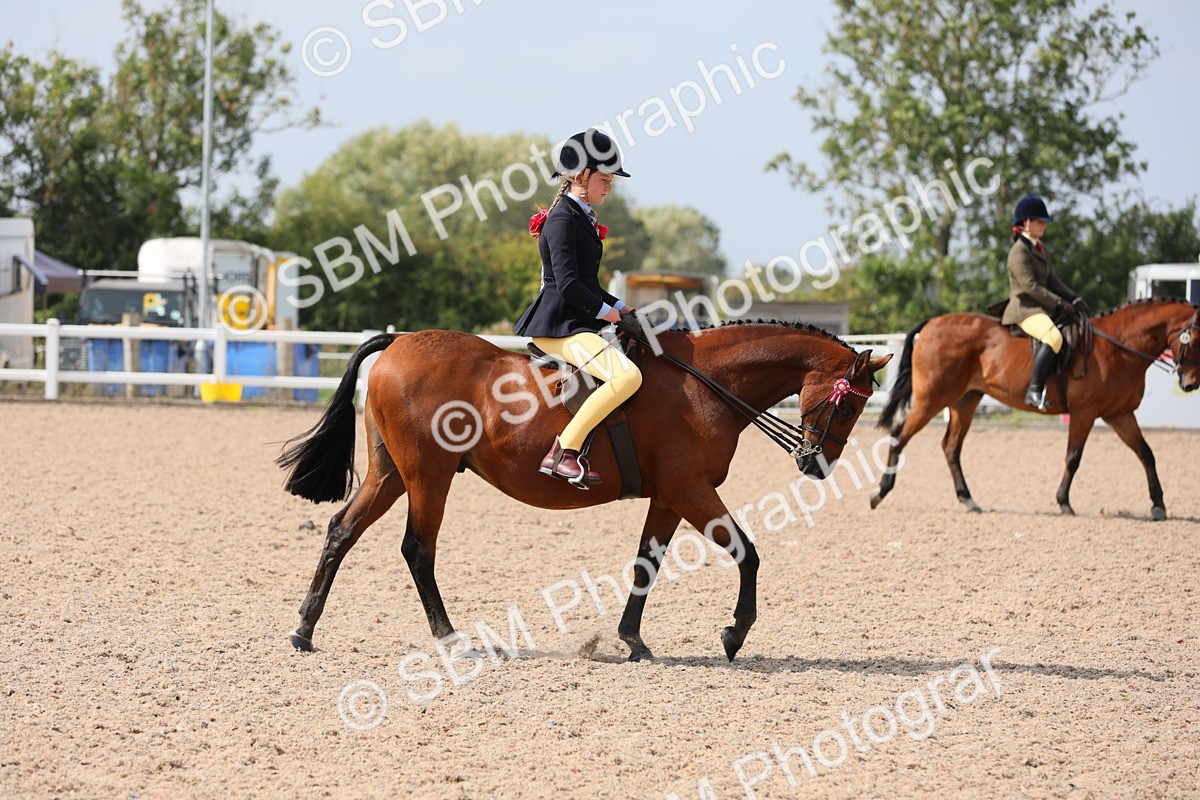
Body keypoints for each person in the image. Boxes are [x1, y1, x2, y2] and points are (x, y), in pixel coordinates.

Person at [514, 129, 644, 489]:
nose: (610, 186)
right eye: (605, 179)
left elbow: (588, 282)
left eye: (611, 180)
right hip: (559, 326)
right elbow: (569, 286)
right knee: (627, 377)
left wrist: (620, 305)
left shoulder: (580, 216)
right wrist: (610, 315)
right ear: (581, 176)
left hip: (575, 322)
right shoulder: (562, 219)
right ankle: (564, 452)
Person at [1000, 195, 1089, 410]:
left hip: (1040, 308)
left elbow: (1052, 281)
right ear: (1026, 223)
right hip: (1024, 309)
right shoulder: (1018, 252)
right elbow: (1030, 286)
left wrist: (1074, 298)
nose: (1044, 226)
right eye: (1040, 221)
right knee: (1053, 337)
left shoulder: (1039, 248)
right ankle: (1035, 390)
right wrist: (1060, 303)